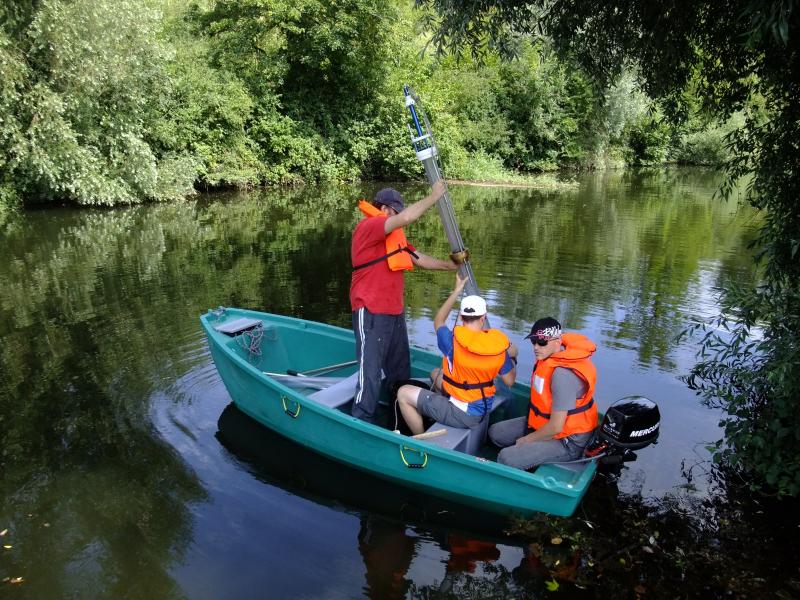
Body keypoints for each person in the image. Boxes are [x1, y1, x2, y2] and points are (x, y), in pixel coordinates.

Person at [350, 181, 459, 423]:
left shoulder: (394, 238)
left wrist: (448, 266)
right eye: (396, 211)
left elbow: (417, 257)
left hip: (394, 312)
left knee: (399, 370)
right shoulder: (369, 227)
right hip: (370, 310)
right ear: (386, 209)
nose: (399, 216)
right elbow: (408, 218)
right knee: (370, 373)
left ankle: (399, 420)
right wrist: (433, 197)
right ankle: (360, 420)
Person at [395, 274, 517, 435]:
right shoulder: (497, 348)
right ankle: (439, 410)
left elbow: (439, 321)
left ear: (460, 317)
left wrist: (457, 290)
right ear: (483, 318)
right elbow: (509, 381)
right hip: (481, 407)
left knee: (403, 393)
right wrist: (512, 358)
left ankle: (421, 439)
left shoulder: (450, 341)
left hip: (464, 415)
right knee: (435, 374)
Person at [489, 317, 598, 470]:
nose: (536, 347)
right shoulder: (548, 358)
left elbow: (556, 427)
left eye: (542, 342)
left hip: (568, 440)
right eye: (533, 342)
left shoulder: (562, 375)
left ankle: (528, 461)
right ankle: (529, 458)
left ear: (557, 341)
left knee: (505, 457)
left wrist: (526, 440)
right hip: (544, 422)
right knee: (496, 433)